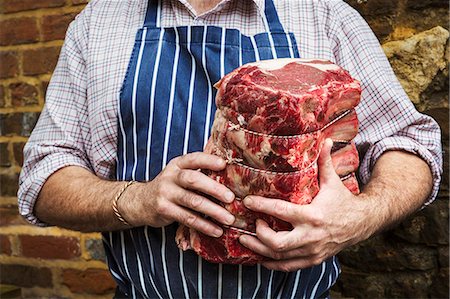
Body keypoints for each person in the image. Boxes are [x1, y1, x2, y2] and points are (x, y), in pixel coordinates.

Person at [18, 0, 442, 298]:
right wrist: (140, 199)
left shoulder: (323, 12)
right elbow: (45, 176)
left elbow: (409, 142)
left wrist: (360, 217)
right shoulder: (100, 22)